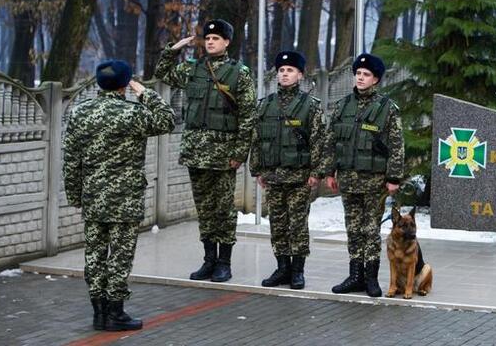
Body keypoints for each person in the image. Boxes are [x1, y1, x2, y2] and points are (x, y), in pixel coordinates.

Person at [63, 60, 175, 331]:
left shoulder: (80, 112)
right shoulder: (132, 113)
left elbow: (70, 160)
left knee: (94, 254)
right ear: (125, 84)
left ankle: (99, 313)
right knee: (120, 256)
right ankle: (116, 313)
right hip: (125, 198)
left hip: (93, 195)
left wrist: (75, 195)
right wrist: (144, 92)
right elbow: (168, 120)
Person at [155, 19, 256, 283]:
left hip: (223, 154)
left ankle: (224, 262)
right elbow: (162, 73)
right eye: (208, 39)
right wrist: (173, 50)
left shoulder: (239, 73)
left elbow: (248, 116)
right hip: (195, 152)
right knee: (205, 209)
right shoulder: (193, 68)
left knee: (223, 209)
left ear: (227, 42)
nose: (210, 42)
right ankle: (208, 260)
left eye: (216, 39)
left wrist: (239, 152)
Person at [323, 53, 404, 298]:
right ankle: (354, 275)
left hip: (374, 180)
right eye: (358, 74)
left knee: (370, 229)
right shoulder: (342, 106)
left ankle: (371, 278)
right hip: (347, 178)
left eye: (366, 75)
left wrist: (394, 178)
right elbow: (331, 140)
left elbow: (397, 144)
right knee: (353, 228)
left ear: (376, 79)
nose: (360, 78)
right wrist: (329, 170)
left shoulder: (387, 109)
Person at [249, 51, 326, 289]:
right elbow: (257, 139)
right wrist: (257, 170)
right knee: (278, 224)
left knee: (298, 224)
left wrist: (316, 172)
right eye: (281, 70)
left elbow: (319, 140)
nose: (284, 74)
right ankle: (282, 268)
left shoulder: (310, 106)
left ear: (300, 75)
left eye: (290, 70)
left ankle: (297, 271)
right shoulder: (265, 105)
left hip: (299, 177)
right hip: (272, 175)